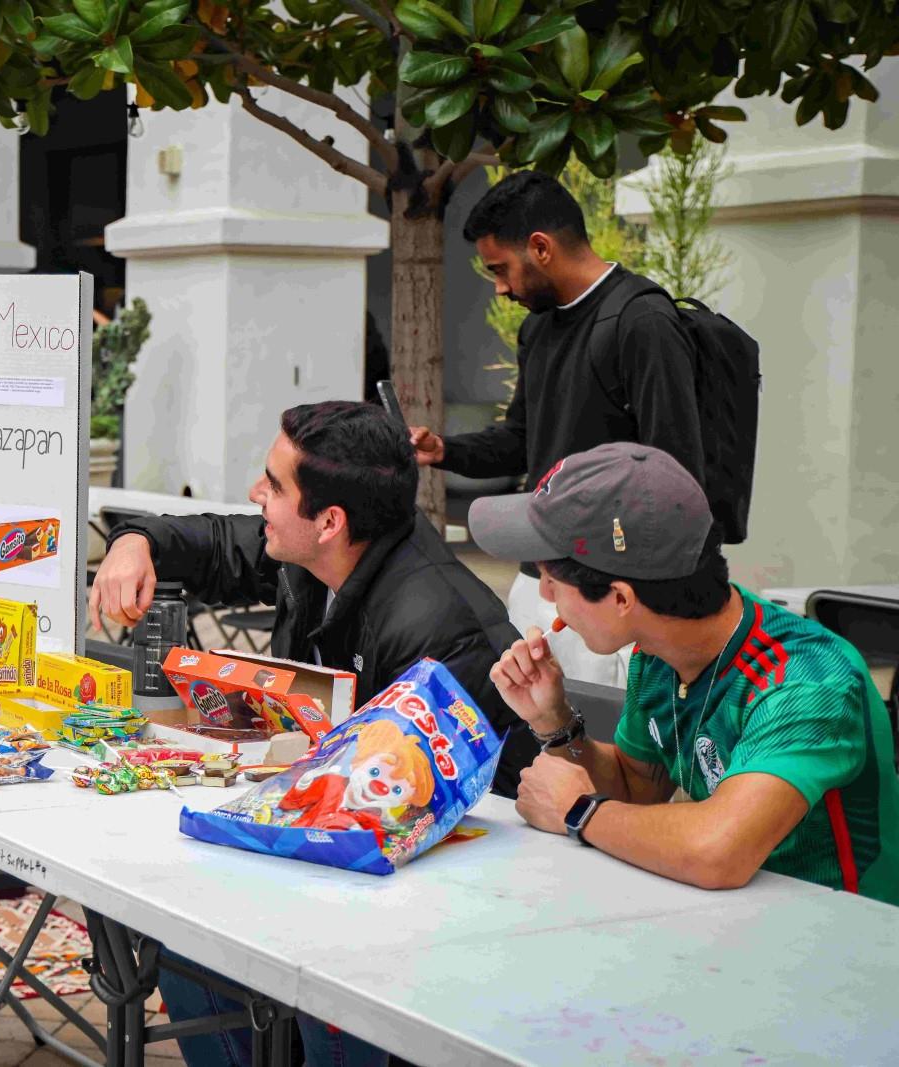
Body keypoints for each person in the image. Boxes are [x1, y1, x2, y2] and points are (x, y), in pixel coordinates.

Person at [90, 400, 540, 1066]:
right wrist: (137, 541)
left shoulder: (438, 626)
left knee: (246, 952)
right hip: (329, 845)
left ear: (330, 520)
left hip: (433, 897)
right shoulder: (316, 552)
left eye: (273, 485)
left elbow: (415, 811)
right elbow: (218, 540)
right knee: (178, 932)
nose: (256, 495)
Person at [470, 442, 899, 903]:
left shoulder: (806, 681)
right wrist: (555, 723)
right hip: (729, 919)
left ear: (620, 599)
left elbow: (718, 851)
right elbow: (639, 788)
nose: (547, 594)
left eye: (552, 577)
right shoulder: (658, 653)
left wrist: (580, 811)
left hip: (846, 937)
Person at [408, 171, 704, 687]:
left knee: (609, 753)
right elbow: (523, 442)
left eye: (501, 269)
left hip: (610, 600)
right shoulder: (538, 327)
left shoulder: (643, 322)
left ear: (540, 247)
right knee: (536, 742)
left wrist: (638, 601)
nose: (500, 288)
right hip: (538, 578)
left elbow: (675, 473)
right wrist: (444, 451)